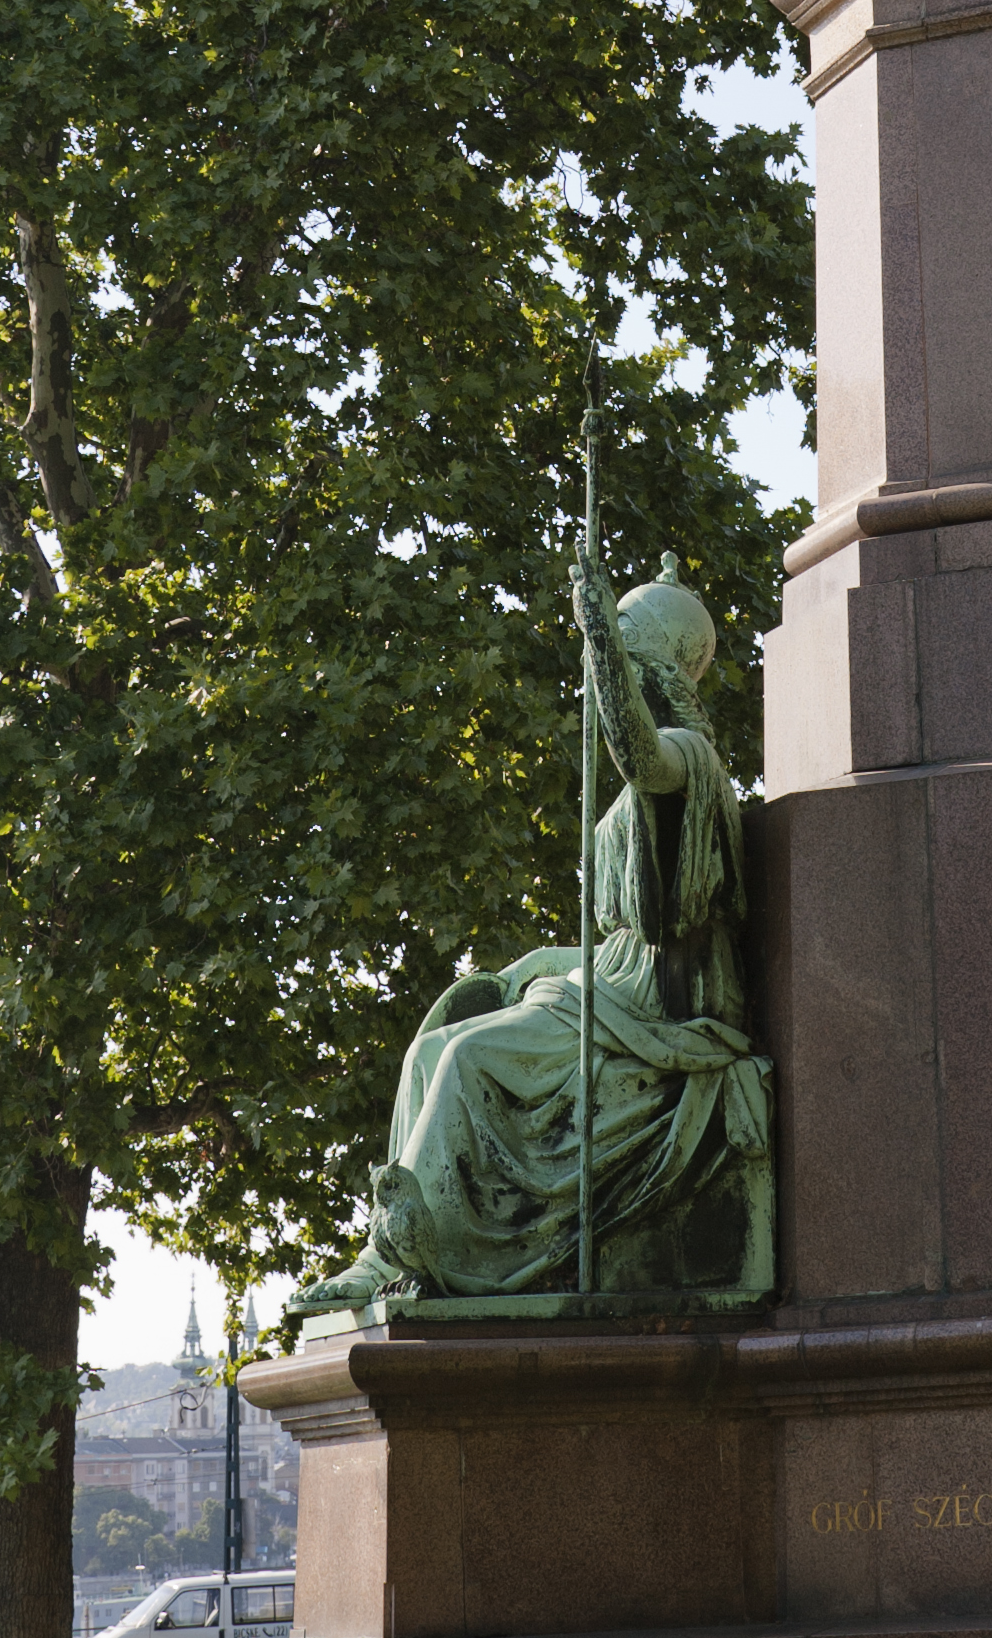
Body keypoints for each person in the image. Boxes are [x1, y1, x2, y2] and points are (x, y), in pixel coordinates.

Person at [295, 554, 772, 1307]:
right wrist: (541, 962)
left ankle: (403, 1255)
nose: (597, 683)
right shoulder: (631, 798)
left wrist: (601, 642)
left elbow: (640, 756)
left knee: (471, 1060)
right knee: (432, 1046)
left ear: (651, 667)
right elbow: (617, 933)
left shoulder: (691, 757)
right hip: (612, 988)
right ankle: (401, 1242)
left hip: (663, 1015)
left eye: (618, 659)